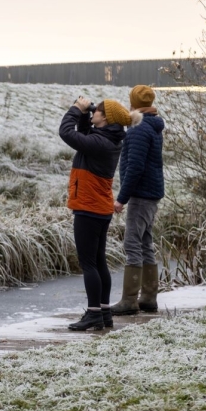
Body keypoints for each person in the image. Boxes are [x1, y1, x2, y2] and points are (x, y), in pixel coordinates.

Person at [59, 96, 141, 331]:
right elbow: (84, 134)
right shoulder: (108, 138)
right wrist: (85, 115)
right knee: (98, 261)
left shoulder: (101, 142)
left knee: (89, 263)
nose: (93, 112)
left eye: (97, 111)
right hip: (98, 207)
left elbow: (67, 133)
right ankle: (104, 312)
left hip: (89, 207)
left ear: (105, 118)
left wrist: (76, 109)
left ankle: (93, 313)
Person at [111, 85, 165, 316]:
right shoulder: (152, 125)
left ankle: (130, 300)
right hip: (151, 193)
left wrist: (121, 199)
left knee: (132, 242)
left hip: (141, 195)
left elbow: (134, 167)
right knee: (144, 242)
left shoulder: (138, 128)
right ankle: (149, 297)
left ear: (133, 102)